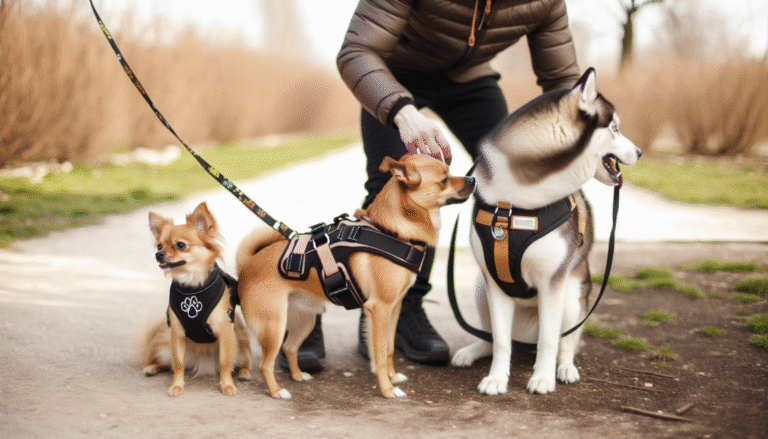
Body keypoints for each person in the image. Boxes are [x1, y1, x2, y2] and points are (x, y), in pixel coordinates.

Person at [279, 0, 581, 371]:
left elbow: (563, 85)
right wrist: (402, 112)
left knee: (511, 177)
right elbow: (358, 50)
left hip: (470, 80)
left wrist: (589, 141)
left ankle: (509, 310)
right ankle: (322, 292)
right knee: (390, 186)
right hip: (392, 72)